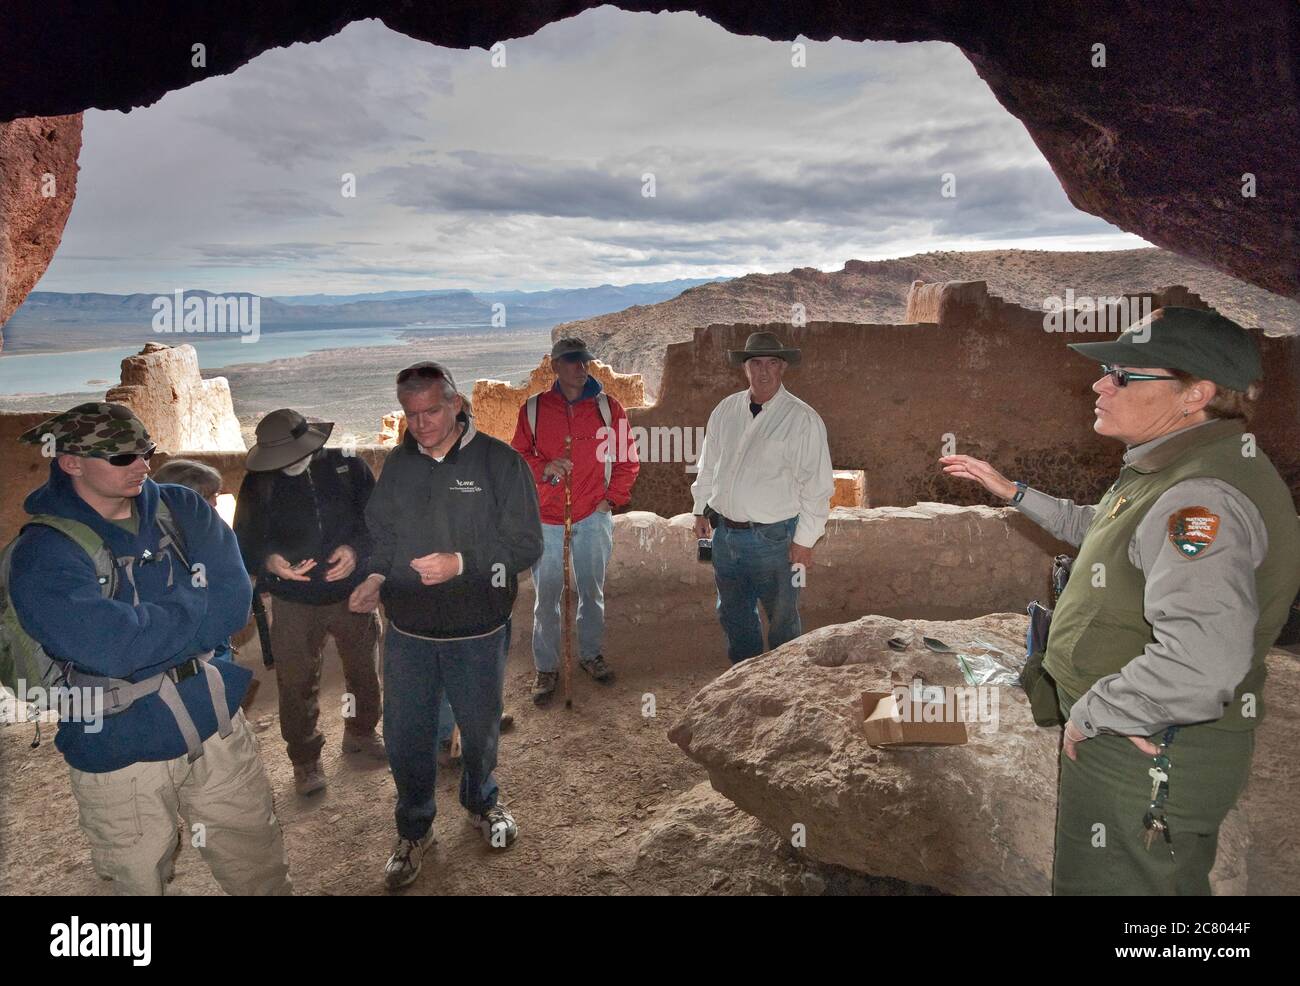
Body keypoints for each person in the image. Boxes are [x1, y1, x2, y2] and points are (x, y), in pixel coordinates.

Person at [941, 307, 1300, 895]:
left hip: (1147, 747)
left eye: (1125, 374)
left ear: (1195, 394)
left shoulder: (1198, 498)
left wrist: (1096, 711)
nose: (1100, 383)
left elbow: (1201, 663)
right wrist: (1013, 492)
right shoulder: (1175, 465)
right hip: (1148, 735)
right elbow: (1103, 528)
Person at [9, 402, 291, 895]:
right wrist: (191, 609)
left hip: (212, 719)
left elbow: (231, 607)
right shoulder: (44, 551)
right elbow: (108, 647)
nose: (142, 466)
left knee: (255, 854)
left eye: (146, 451)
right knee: (138, 877)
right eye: (122, 457)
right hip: (119, 743)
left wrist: (144, 628)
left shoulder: (181, 508)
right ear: (71, 462)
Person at [349, 362, 542, 890]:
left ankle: (483, 802)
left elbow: (527, 543)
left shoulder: (500, 463)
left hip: (477, 630)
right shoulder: (399, 465)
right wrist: (372, 575)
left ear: (456, 404)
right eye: (412, 414)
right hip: (408, 633)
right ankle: (414, 829)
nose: (422, 423)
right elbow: (382, 535)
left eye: (432, 410)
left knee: (479, 730)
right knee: (406, 736)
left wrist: (461, 562)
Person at [233, 409, 384, 797]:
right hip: (293, 601)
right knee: (296, 680)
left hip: (352, 594)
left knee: (363, 671)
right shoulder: (258, 483)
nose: (290, 464)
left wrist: (354, 552)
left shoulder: (349, 467)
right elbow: (245, 540)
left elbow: (377, 524)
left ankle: (361, 732)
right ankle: (304, 758)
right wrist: (270, 563)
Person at [690, 332, 834, 664]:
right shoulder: (726, 411)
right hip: (725, 536)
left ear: (783, 367)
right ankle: (745, 681)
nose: (763, 371)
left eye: (771, 363)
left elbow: (817, 487)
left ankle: (785, 686)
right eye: (756, 363)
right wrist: (700, 509)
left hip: (775, 539)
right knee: (734, 615)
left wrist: (806, 541)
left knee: (782, 619)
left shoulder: (802, 419)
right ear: (745, 368)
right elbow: (709, 465)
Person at [510, 338, 640, 705]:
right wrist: (545, 467)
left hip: (591, 516)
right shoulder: (534, 410)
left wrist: (609, 500)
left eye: (584, 362)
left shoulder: (607, 409)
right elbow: (517, 458)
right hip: (548, 518)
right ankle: (547, 666)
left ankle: (590, 655)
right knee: (547, 597)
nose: (580, 368)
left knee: (591, 592)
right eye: (571, 362)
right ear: (555, 367)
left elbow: (628, 460)